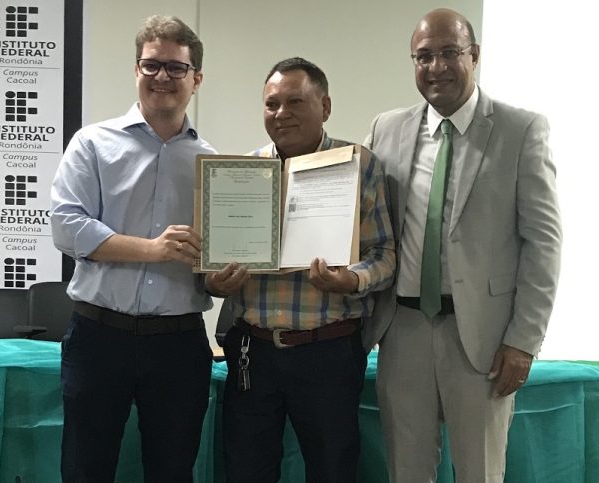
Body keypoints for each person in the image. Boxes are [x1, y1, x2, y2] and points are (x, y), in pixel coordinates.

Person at [364, 8, 562, 483]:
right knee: (406, 472)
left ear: (474, 55)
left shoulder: (521, 130)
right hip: (403, 329)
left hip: (484, 338)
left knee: (480, 472)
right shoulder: (386, 128)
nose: (437, 67)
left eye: (449, 52)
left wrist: (523, 341)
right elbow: (363, 221)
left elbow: (543, 242)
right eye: (424, 56)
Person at [207, 57, 396, 483]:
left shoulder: (359, 164)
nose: (281, 113)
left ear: (325, 107)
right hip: (253, 351)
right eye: (271, 104)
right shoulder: (242, 173)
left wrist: (351, 280)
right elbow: (213, 269)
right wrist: (215, 281)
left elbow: (385, 254)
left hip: (328, 351)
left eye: (295, 101)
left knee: (332, 470)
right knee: (246, 471)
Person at [50, 15, 216, 482]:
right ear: (136, 70)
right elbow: (67, 227)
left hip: (179, 344)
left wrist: (227, 274)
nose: (162, 76)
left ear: (196, 79)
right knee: (85, 469)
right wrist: (153, 250)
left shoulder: (213, 164)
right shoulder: (92, 143)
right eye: (151, 64)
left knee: (173, 471)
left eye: (176, 67)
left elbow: (218, 256)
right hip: (98, 337)